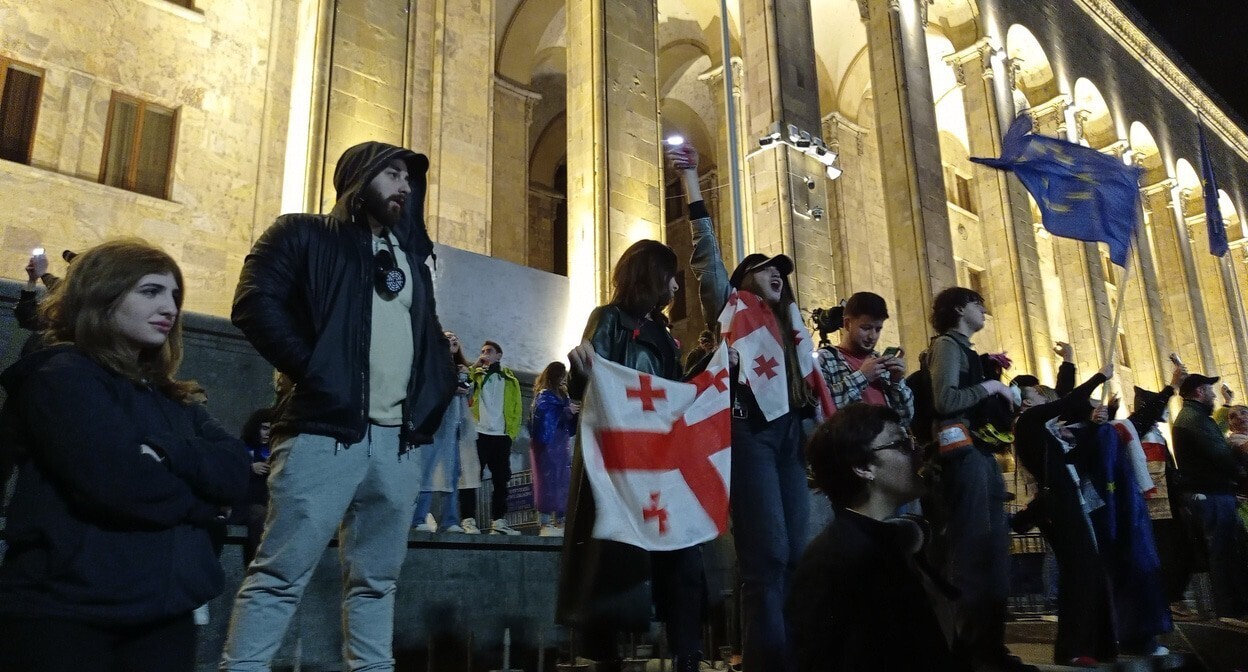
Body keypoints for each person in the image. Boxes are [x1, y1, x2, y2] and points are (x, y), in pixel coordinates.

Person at [221, 141, 458, 671]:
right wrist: (318, 372)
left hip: (398, 445)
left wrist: (435, 394)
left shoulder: (411, 261)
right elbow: (254, 302)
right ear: (359, 176)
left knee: (377, 583)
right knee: (279, 575)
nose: (404, 186)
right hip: (321, 432)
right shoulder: (301, 233)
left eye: (408, 178)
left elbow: (429, 336)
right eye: (391, 173)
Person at [0, 239, 250, 671]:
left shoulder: (170, 394)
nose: (170, 308)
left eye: (174, 295)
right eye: (150, 291)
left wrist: (167, 453)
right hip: (68, 614)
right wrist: (203, 505)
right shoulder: (62, 376)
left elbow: (236, 468)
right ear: (102, 295)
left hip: (164, 615)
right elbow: (121, 485)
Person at [671, 144, 831, 672]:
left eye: (780, 270)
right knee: (767, 557)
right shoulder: (730, 306)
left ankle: (789, 654)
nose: (776, 273)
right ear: (742, 280)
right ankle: (767, 662)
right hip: (748, 432)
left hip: (790, 437)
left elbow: (811, 387)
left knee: (796, 554)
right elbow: (705, 252)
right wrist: (692, 181)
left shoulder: (792, 328)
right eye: (763, 269)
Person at [559, 238, 706, 672]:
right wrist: (579, 370)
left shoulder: (663, 333)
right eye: (670, 277)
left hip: (659, 459)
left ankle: (687, 655)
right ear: (650, 275)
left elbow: (676, 390)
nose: (676, 287)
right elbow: (588, 385)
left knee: (681, 552)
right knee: (613, 561)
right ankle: (608, 658)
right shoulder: (608, 319)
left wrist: (712, 367)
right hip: (618, 461)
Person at [790, 403, 969, 672]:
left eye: (912, 441)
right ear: (863, 467)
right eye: (901, 444)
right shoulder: (838, 560)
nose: (918, 452)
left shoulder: (894, 542)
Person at [924, 286, 1029, 672]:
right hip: (963, 455)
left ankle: (991, 647)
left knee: (993, 552)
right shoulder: (946, 345)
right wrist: (992, 386)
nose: (984, 310)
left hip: (981, 456)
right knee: (972, 553)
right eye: (977, 304)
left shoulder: (965, 349)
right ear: (958, 309)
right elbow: (945, 400)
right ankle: (971, 651)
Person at [1013, 366, 1116, 666]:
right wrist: (1099, 377)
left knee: (1089, 572)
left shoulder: (1045, 433)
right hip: (1058, 507)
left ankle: (1098, 643)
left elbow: (1073, 458)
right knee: (1078, 574)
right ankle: (1073, 648)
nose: (1046, 400)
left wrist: (1094, 425)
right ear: (1027, 402)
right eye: (1039, 396)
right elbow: (1070, 400)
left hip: (1070, 502)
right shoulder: (1028, 422)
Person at [1171, 373, 1248, 623]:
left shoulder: (1196, 417)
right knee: (1223, 553)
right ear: (1199, 391)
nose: (1213, 395)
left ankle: (1234, 608)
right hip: (1211, 493)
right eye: (1210, 390)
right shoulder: (1194, 418)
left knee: (1228, 551)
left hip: (1214, 492)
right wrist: (1241, 472)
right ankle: (1230, 611)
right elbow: (1219, 455)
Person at [816, 291, 914, 427]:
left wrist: (897, 382)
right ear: (847, 324)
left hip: (889, 438)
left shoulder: (881, 362)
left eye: (878, 329)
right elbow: (822, 411)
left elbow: (905, 418)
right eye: (866, 328)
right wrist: (862, 376)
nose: (872, 336)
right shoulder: (825, 359)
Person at [413, 330, 475, 533]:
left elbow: (468, 397)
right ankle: (418, 518)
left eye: (455, 337)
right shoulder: (431, 365)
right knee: (428, 471)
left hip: (454, 428)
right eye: (448, 337)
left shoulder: (461, 369)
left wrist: (466, 381)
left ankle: (450, 520)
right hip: (435, 427)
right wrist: (450, 386)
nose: (453, 339)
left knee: (452, 474)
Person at [469, 340, 523, 535]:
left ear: (499, 355)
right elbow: (461, 382)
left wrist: (511, 433)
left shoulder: (509, 379)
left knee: (501, 479)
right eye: (482, 351)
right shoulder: (476, 374)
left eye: (489, 351)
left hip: (501, 435)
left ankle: (498, 521)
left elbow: (517, 406)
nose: (485, 354)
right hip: (479, 432)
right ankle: (468, 519)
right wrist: (475, 366)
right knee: (472, 477)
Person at [529, 361, 579, 536]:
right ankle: (545, 521)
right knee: (547, 481)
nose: (564, 379)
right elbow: (544, 415)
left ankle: (560, 520)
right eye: (562, 375)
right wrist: (566, 410)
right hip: (547, 445)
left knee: (562, 480)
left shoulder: (562, 395)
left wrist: (569, 411)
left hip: (560, 444)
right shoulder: (544, 395)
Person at [234, 407, 278, 566]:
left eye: (271, 429)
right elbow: (229, 472)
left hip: (270, 502)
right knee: (258, 514)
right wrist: (250, 468)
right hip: (245, 504)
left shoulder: (276, 450)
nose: (267, 433)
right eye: (264, 428)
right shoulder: (242, 447)